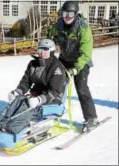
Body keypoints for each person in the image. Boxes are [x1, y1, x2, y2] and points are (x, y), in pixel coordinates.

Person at [0, 39, 67, 134]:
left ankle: (12, 130)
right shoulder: (33, 64)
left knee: (27, 105)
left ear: (52, 51)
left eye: (46, 49)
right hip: (36, 95)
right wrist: (17, 92)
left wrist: (40, 99)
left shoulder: (56, 68)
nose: (43, 52)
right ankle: (2, 123)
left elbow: (55, 91)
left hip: (52, 99)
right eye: (40, 49)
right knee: (18, 100)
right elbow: (26, 82)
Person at [47, 1, 98, 132]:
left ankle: (91, 118)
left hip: (81, 62)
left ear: (76, 14)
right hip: (64, 60)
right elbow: (49, 37)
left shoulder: (83, 29)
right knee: (55, 85)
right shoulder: (58, 25)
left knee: (81, 88)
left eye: (70, 14)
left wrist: (76, 68)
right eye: (64, 13)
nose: (67, 16)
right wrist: (48, 48)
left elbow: (86, 53)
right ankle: (52, 112)